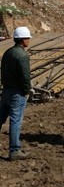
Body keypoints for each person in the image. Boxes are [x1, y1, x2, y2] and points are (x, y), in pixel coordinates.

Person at [0, 26, 32, 161]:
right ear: (23, 39)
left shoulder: (8, 52)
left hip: (6, 90)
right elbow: (25, 77)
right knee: (15, 122)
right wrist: (27, 90)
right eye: (28, 38)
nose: (29, 41)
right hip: (17, 93)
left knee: (0, 118)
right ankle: (14, 151)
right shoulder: (23, 55)